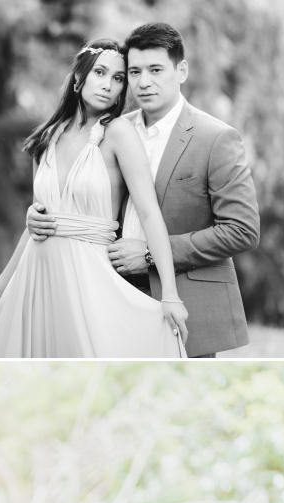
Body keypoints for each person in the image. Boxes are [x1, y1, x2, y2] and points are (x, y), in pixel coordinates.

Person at [27, 22, 259, 358]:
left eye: (155, 70)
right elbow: (76, 190)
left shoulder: (217, 138)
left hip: (185, 300)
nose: (144, 82)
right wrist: (38, 214)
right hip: (108, 294)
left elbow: (242, 231)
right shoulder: (109, 130)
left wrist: (149, 254)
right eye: (133, 72)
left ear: (181, 70)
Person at [0, 38, 188, 358]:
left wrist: (171, 295)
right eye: (100, 73)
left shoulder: (118, 133)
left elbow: (150, 213)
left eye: (118, 78)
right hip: (35, 276)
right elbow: (36, 226)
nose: (108, 85)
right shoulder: (46, 138)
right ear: (79, 78)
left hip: (88, 277)